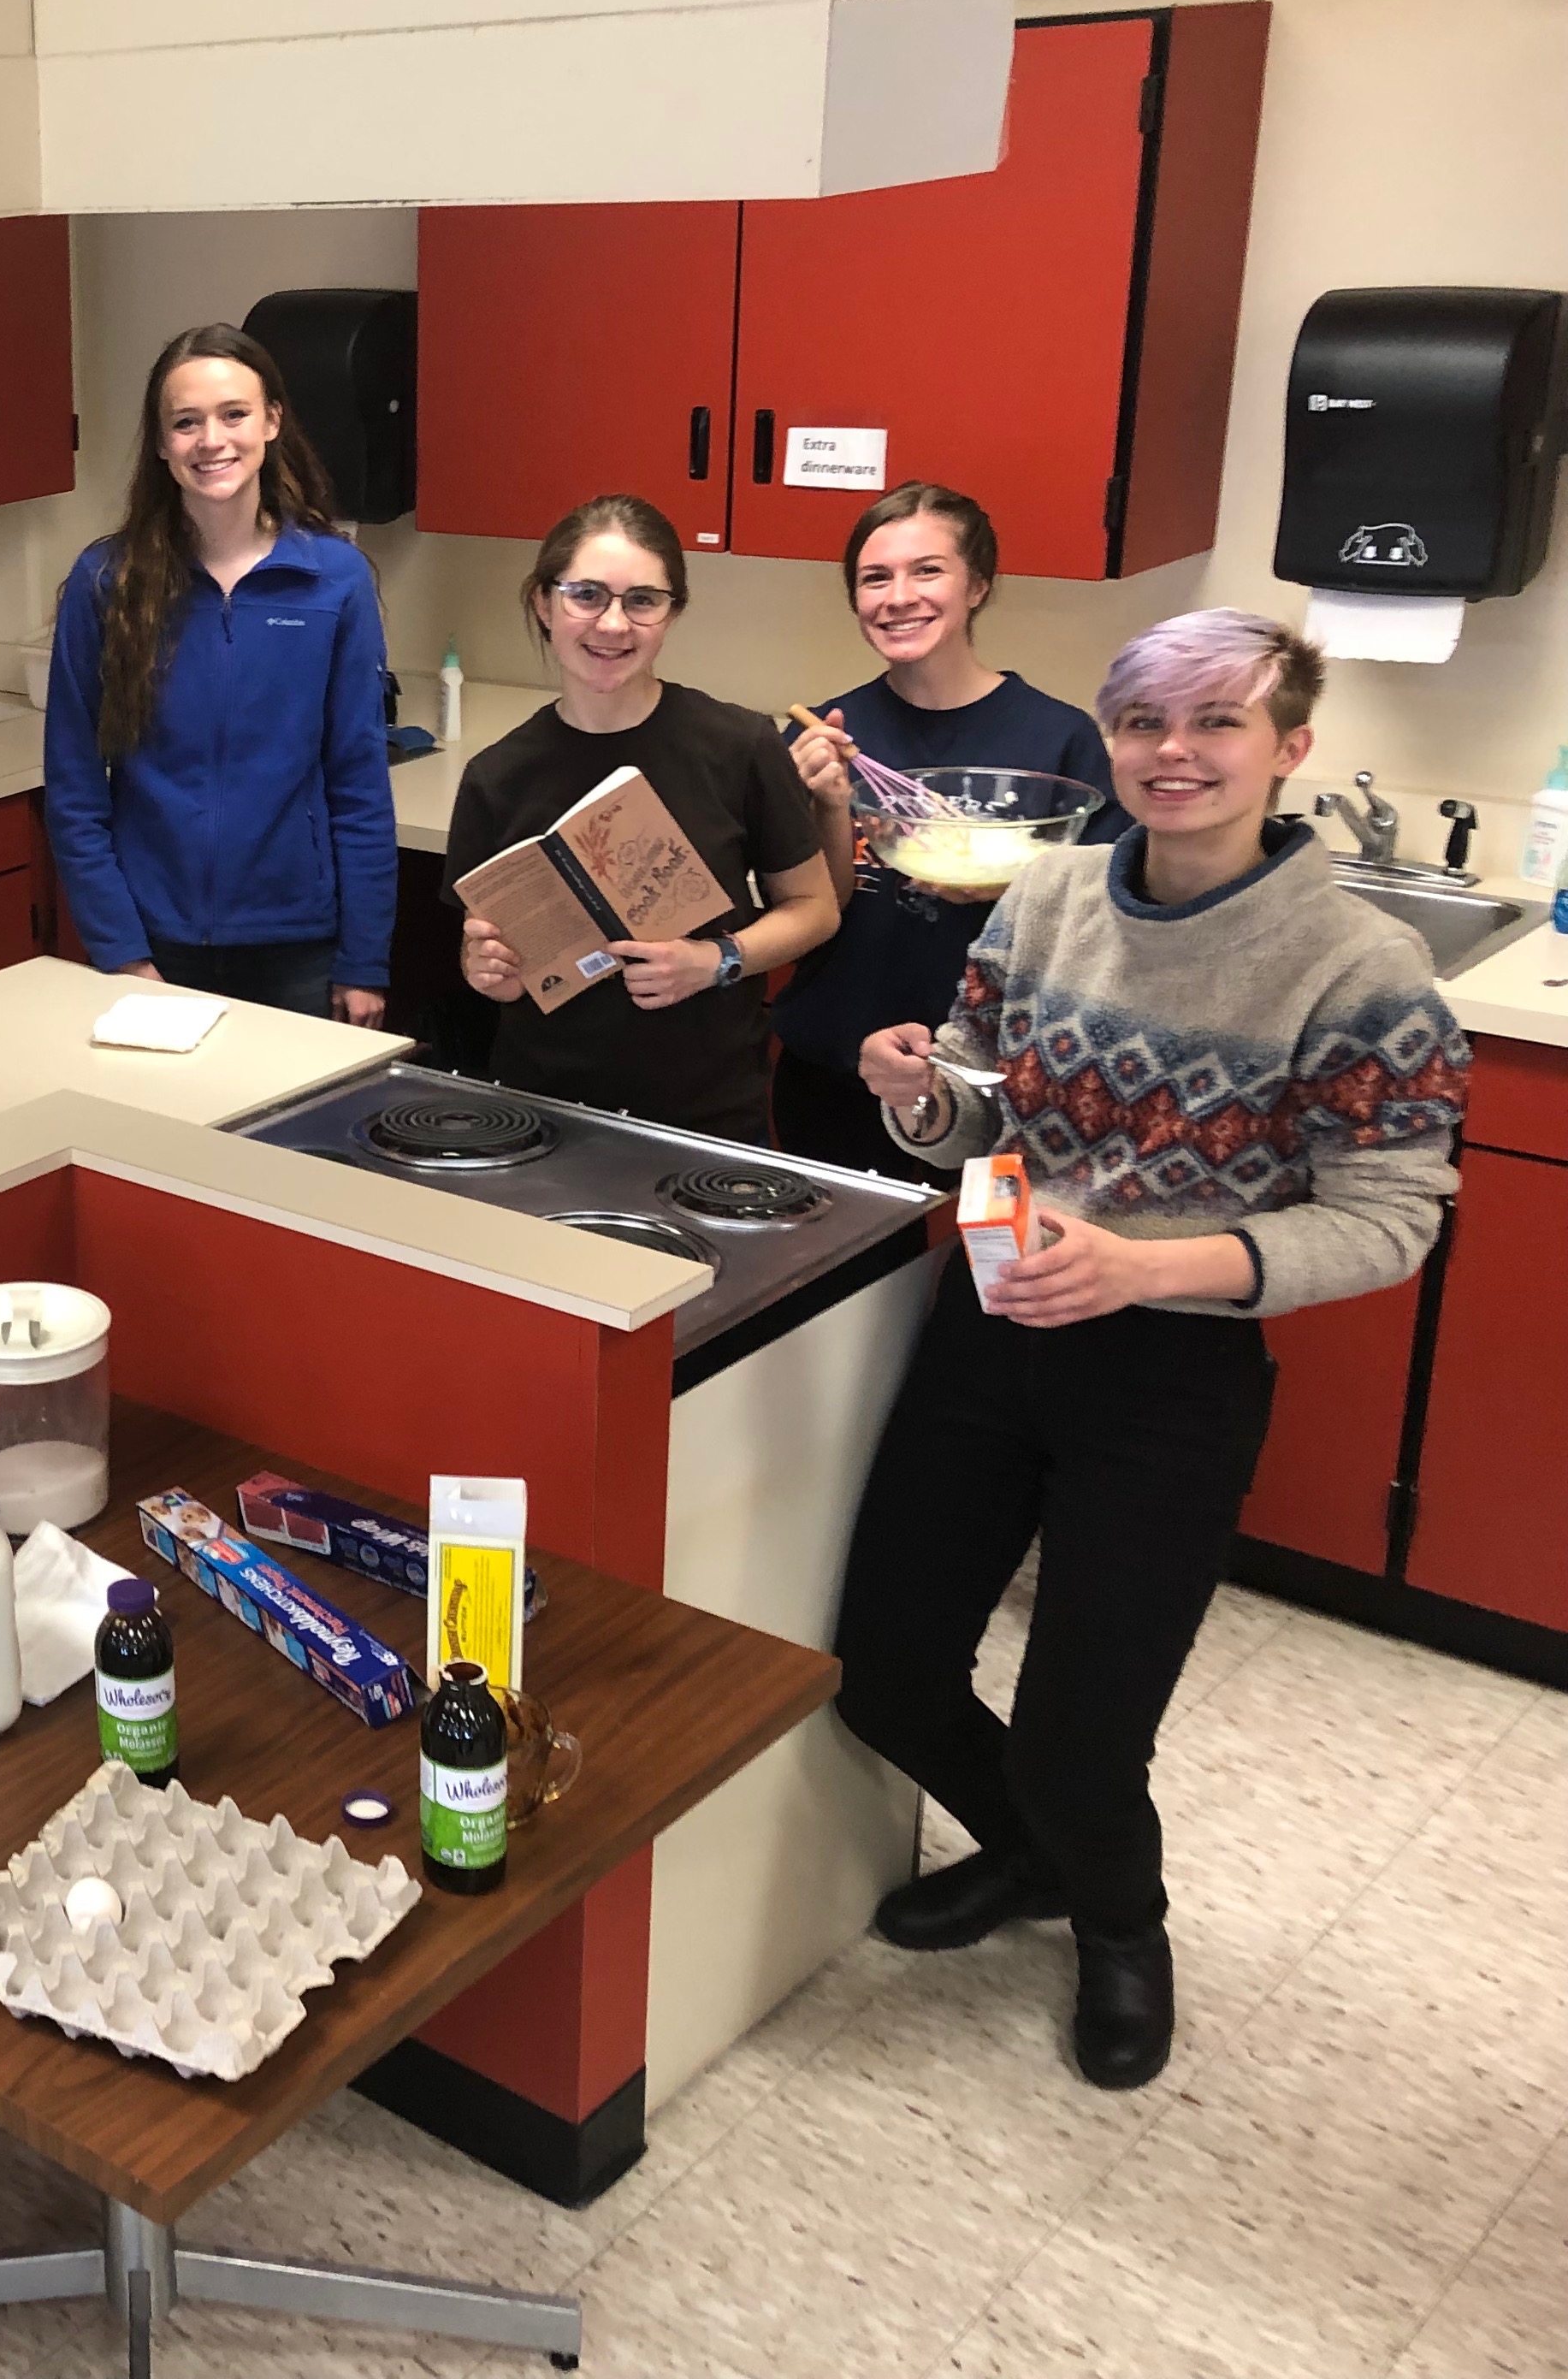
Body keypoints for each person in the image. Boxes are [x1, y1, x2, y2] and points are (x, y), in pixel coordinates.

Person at [832, 608, 1468, 2092]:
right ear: (1107, 738)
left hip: (1170, 1369)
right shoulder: (1044, 895)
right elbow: (976, 1113)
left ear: (1287, 747)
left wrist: (1149, 1263)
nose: (1172, 755)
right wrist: (915, 1098)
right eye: (1143, 724)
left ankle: (1123, 1923)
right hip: (993, 1318)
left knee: (1080, 1729)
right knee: (885, 1671)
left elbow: (1391, 1220)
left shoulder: (1359, 965)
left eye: (1216, 723)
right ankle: (1031, 1859)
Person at [447, 494, 838, 1145]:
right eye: (587, 595)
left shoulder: (738, 747)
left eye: (643, 601)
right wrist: (482, 968)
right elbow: (480, 947)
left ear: (672, 614)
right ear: (545, 604)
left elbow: (815, 908)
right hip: (543, 1106)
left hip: (705, 1108)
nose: (613, 625)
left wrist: (716, 959)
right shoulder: (496, 775)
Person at [44, 322, 393, 1023]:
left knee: (289, 1135)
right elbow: (76, 792)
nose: (212, 441)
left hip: (298, 943)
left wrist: (364, 961)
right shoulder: (106, 582)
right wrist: (120, 952)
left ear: (271, 421)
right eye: (186, 422)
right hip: (153, 946)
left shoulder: (333, 579)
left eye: (234, 414)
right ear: (162, 440)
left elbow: (358, 782)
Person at [772, 482, 1121, 1175]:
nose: (898, 596)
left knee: (978, 1279)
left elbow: (1108, 922)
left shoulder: (1057, 741)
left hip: (991, 1088)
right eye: (875, 578)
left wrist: (1006, 890)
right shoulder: (826, 734)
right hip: (837, 1068)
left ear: (978, 586)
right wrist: (828, 807)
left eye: (927, 570)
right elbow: (817, 910)